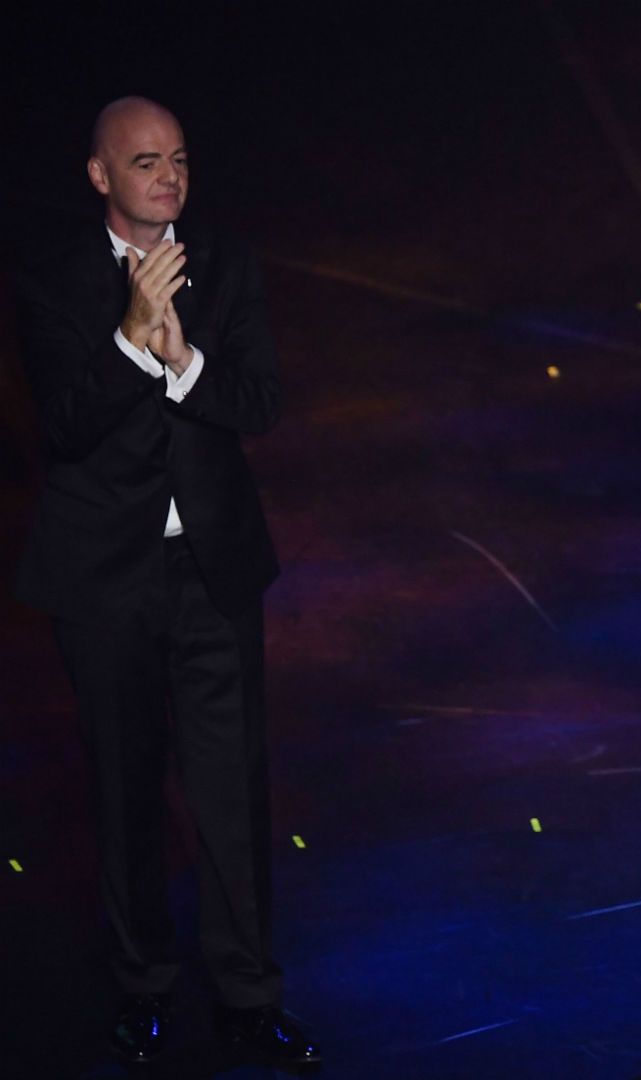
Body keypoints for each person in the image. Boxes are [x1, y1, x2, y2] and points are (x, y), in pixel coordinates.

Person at [12, 98, 318, 1065]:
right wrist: (127, 339)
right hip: (106, 581)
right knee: (125, 789)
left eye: (179, 159)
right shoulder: (55, 281)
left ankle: (247, 995)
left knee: (231, 793)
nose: (169, 177)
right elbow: (64, 427)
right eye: (145, 162)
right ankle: (143, 986)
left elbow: (259, 402)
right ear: (100, 175)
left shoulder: (226, 264)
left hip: (211, 572)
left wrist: (182, 360)